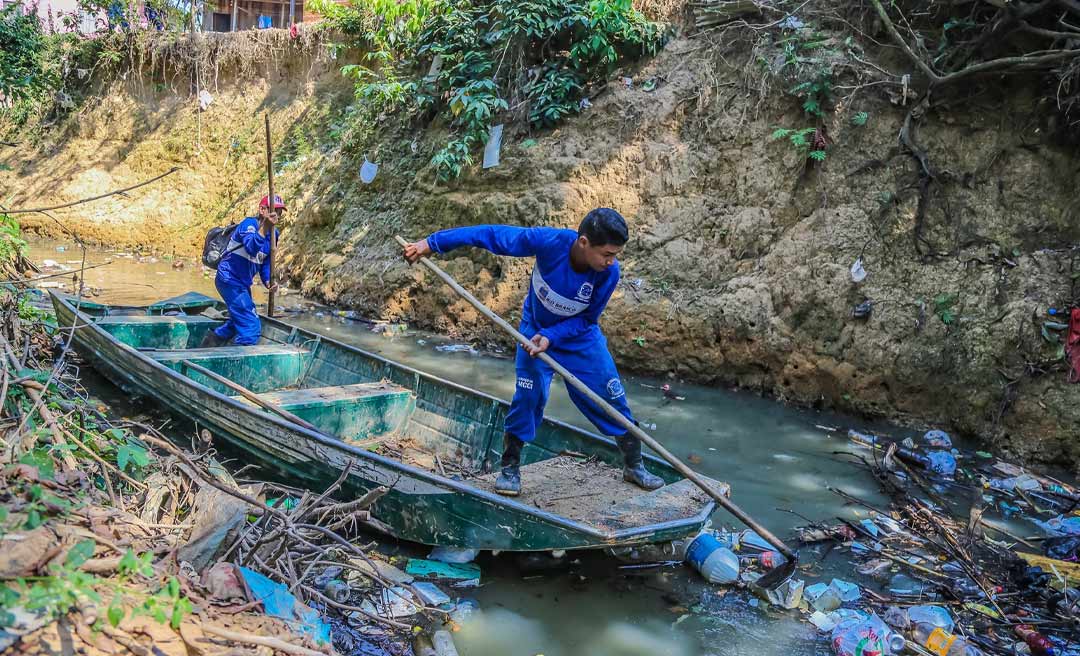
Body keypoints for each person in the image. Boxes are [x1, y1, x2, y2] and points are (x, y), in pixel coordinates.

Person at [402, 208, 664, 496]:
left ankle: (634, 465)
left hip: (579, 338)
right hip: (534, 330)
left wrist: (552, 337)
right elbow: (490, 235)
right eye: (607, 254)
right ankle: (510, 467)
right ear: (584, 242)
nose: (611, 261)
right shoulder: (548, 242)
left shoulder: (608, 273)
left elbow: (587, 319)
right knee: (529, 396)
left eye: (615, 254)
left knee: (611, 399)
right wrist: (433, 243)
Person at [202, 195, 283, 347]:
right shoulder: (249, 225)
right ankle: (235, 363)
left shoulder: (274, 235)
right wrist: (264, 227)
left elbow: (264, 261)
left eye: (280, 212)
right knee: (250, 328)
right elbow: (251, 248)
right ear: (262, 210)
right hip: (229, 279)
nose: (277, 215)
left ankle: (211, 342)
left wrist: (267, 281)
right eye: (274, 210)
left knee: (236, 321)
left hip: (243, 283)